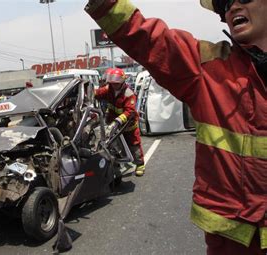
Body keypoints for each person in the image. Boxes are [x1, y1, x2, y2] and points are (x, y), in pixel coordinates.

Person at [85, 0, 266, 253]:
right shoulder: (209, 69)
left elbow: (128, 110)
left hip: (128, 125)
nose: (233, 6)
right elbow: (150, 40)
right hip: (234, 242)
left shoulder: (126, 92)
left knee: (136, 147)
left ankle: (138, 163)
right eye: (225, 2)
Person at [96, 68, 145, 176]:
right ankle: (117, 166)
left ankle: (140, 164)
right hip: (113, 125)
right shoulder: (109, 89)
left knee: (134, 145)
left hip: (128, 126)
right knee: (114, 146)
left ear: (122, 82)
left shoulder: (129, 94)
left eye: (116, 83)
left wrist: (118, 120)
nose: (114, 85)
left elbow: (130, 111)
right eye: (112, 83)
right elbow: (97, 94)